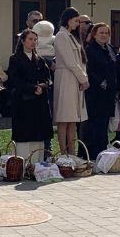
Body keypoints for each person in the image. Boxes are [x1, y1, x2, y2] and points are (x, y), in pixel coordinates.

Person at [7, 29, 54, 150]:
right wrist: (32, 88)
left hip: (39, 101)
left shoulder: (40, 60)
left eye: (35, 40)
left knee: (38, 134)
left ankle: (37, 161)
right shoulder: (15, 59)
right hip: (23, 101)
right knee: (24, 133)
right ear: (23, 41)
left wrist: (42, 87)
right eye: (30, 39)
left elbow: (47, 78)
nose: (33, 42)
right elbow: (14, 79)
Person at [53, 8, 90, 156]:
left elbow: (80, 61)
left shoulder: (71, 36)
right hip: (66, 78)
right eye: (76, 21)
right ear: (68, 19)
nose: (78, 24)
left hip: (75, 78)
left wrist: (82, 78)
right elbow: (70, 61)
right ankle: (63, 153)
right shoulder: (61, 36)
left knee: (73, 118)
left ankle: (72, 153)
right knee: (64, 118)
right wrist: (84, 78)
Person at [83, 23, 117, 159]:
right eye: (101, 33)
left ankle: (102, 154)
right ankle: (91, 155)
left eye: (106, 33)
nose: (104, 35)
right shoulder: (90, 49)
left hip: (108, 94)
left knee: (103, 126)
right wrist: (100, 82)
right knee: (93, 126)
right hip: (95, 94)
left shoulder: (109, 49)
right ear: (94, 35)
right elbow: (88, 70)